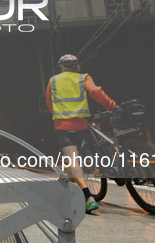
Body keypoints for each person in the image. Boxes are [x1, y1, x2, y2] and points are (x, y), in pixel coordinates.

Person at [45, 54, 116, 214]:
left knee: (73, 160)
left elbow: (49, 103)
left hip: (63, 125)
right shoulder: (83, 78)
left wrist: (59, 115)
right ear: (76, 66)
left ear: (61, 66)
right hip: (82, 125)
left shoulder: (53, 81)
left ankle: (87, 196)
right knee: (74, 161)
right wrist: (111, 106)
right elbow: (96, 92)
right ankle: (63, 189)